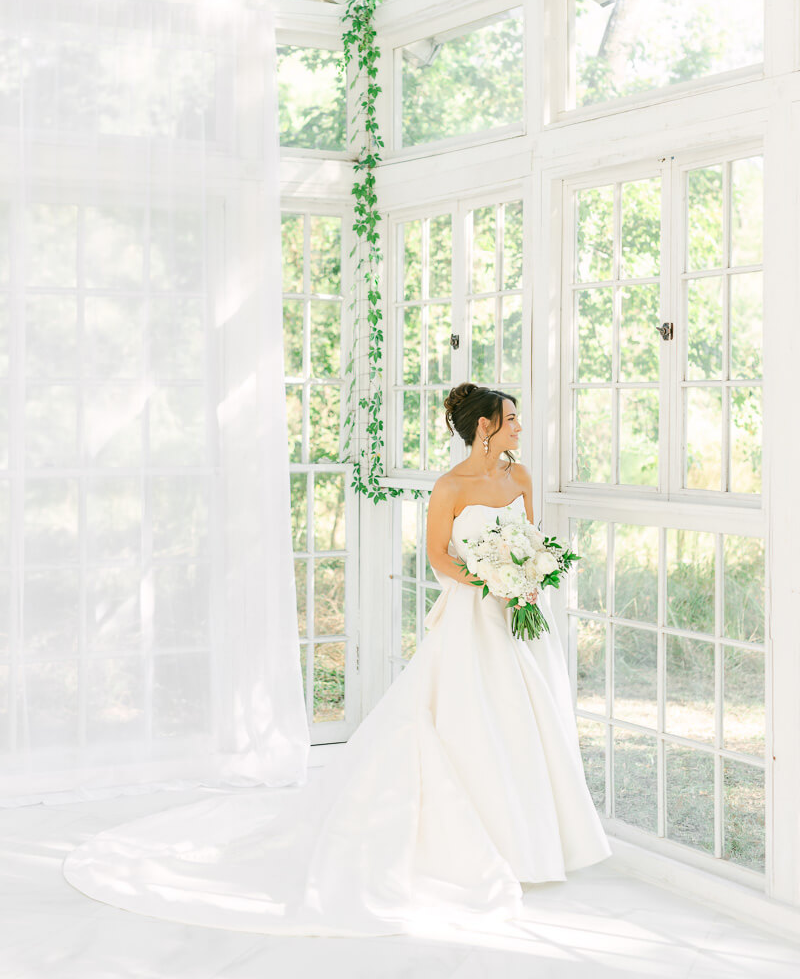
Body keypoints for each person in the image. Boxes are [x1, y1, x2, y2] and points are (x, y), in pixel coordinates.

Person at [61, 382, 612, 938]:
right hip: (474, 615)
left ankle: (536, 838)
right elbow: (440, 556)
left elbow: (532, 536)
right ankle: (483, 838)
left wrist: (528, 575)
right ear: (485, 426)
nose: (520, 426)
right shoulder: (448, 487)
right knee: (474, 719)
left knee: (527, 717)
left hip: (520, 616)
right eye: (512, 418)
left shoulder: (519, 477)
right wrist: (492, 578)